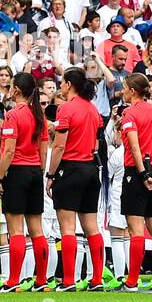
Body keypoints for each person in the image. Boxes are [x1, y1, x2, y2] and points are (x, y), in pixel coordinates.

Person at [47, 66, 105, 290]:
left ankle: (69, 280)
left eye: (62, 83)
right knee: (92, 227)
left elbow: (60, 145)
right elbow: (97, 142)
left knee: (68, 228)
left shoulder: (66, 109)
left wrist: (51, 174)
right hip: (91, 168)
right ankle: (97, 279)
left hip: (70, 169)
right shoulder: (93, 110)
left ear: (69, 85)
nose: (60, 87)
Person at [0, 71, 51, 292]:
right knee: (36, 230)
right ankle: (42, 281)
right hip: (35, 171)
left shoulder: (12, 115)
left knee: (16, 230)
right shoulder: (39, 116)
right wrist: (40, 171)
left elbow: (8, 151)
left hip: (17, 172)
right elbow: (44, 150)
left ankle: (13, 281)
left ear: (16, 89)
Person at [116, 72, 152, 292]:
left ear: (133, 90)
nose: (123, 91)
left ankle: (132, 281)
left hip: (136, 172)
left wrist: (142, 174)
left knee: (136, 230)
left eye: (125, 87)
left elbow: (135, 146)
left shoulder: (130, 114)